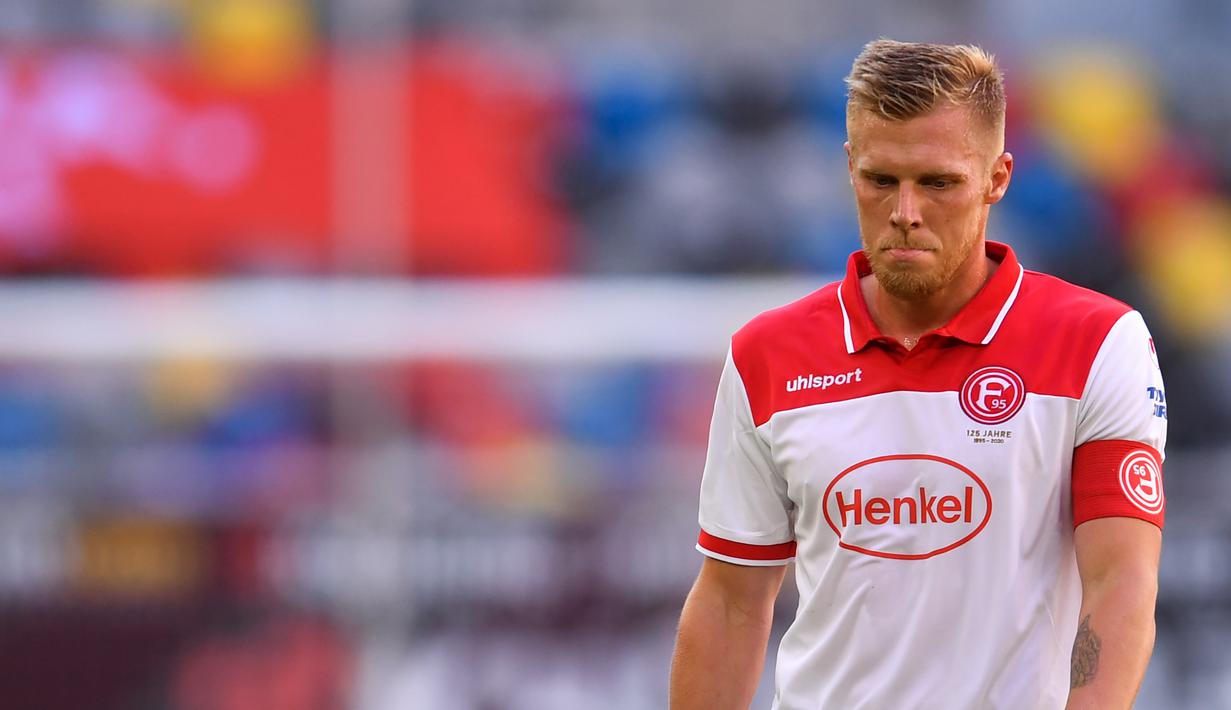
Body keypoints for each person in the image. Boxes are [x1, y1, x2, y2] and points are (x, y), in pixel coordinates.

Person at [669, 39, 1166, 710]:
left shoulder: (1097, 341)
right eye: (880, 180)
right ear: (849, 167)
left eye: (937, 182)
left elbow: (1119, 583)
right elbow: (731, 600)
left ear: (996, 178)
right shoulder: (767, 355)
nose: (905, 211)